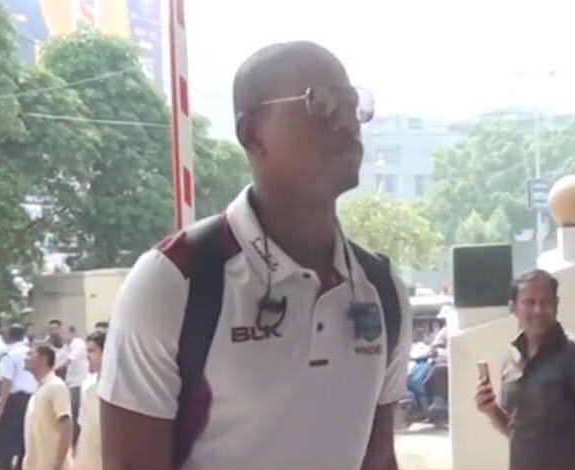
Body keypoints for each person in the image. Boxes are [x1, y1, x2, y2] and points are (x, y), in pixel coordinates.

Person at [99, 41, 411, 470]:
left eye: (352, 104)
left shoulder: (381, 291)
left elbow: (379, 460)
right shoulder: (175, 281)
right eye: (320, 101)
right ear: (252, 134)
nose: (347, 121)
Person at [474, 269, 575, 470]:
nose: (539, 310)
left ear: (556, 305)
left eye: (545, 301)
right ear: (513, 307)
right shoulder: (512, 360)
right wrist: (491, 410)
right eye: (530, 302)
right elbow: (518, 432)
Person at [23, 343, 73, 470]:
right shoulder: (40, 389)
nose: (26, 358)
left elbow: (66, 427)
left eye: (30, 354)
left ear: (44, 359)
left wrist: (57, 465)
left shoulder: (56, 386)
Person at [0, 325, 37, 470]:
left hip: (16, 400)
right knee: (28, 434)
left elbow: (7, 382)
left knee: (9, 435)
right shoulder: (32, 352)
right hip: (33, 397)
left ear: (8, 336)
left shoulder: (9, 355)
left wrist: (1, 408)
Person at [74, 331, 105, 470]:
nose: (88, 356)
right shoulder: (87, 386)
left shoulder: (119, 389)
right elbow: (83, 428)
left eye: (92, 351)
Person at [54, 325, 88, 444]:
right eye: (61, 333)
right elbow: (58, 357)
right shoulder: (66, 346)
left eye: (64, 333)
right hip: (71, 382)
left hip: (80, 382)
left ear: (72, 333)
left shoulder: (78, 344)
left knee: (74, 412)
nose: (61, 336)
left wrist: (53, 369)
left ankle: (75, 439)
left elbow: (68, 359)